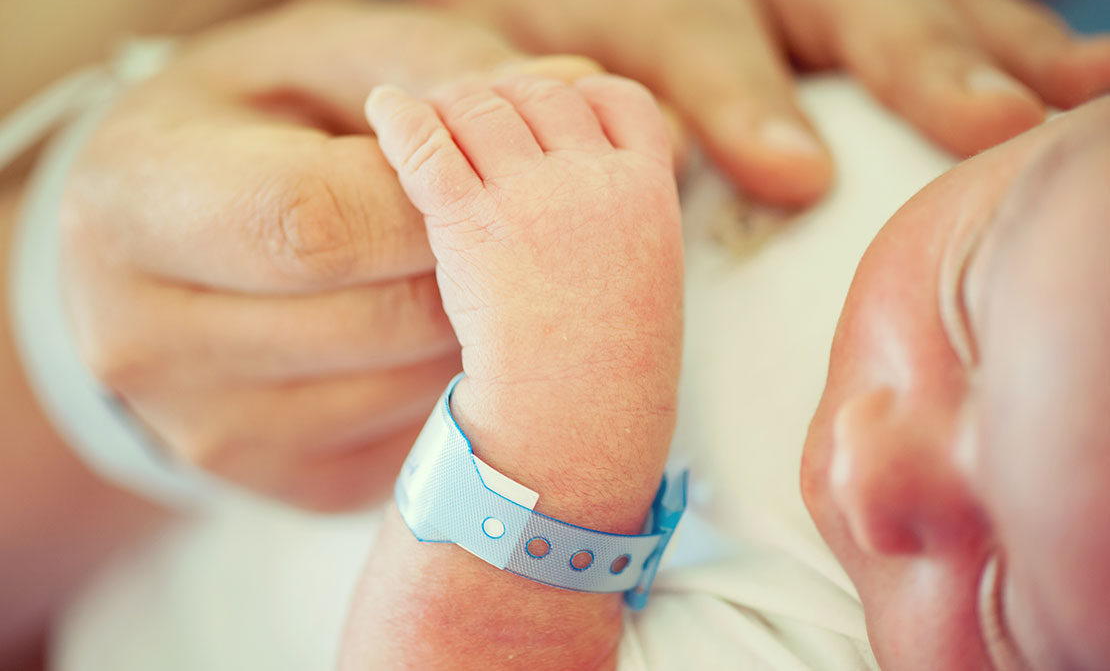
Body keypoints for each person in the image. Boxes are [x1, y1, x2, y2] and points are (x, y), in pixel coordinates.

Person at [335, 76, 1110, 668]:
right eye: (967, 308)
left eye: (1003, 597)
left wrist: (561, 420)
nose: (871, 469)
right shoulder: (1001, 116)